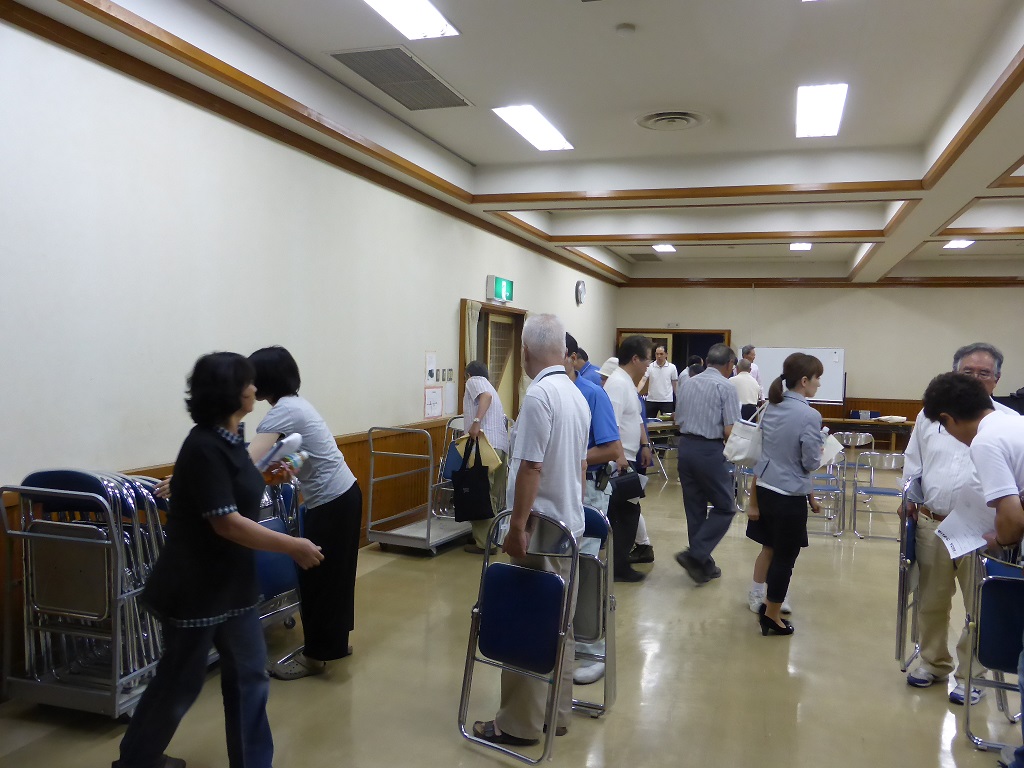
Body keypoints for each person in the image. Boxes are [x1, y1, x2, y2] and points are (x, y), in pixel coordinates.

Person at [114, 352, 323, 768]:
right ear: (230, 393)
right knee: (180, 682)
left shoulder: (231, 439)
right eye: (248, 383)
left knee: (250, 678)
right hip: (196, 589)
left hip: (234, 586)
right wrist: (292, 545)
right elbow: (227, 524)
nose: (254, 389)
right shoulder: (204, 446)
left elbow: (238, 487)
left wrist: (269, 476)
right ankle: (137, 760)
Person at [472, 314, 590, 747]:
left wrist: (517, 526)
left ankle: (519, 724)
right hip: (568, 525)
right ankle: (555, 715)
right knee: (559, 623)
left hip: (540, 529)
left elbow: (531, 468)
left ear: (525, 352)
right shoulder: (574, 394)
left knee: (527, 621)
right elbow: (579, 467)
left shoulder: (540, 395)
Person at [902, 343, 1018, 704]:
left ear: (997, 380)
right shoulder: (931, 417)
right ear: (955, 374)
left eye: (984, 373)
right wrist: (909, 496)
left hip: (984, 530)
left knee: (980, 606)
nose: (976, 378)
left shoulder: (1004, 423)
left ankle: (972, 675)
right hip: (934, 522)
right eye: (968, 372)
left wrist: (1002, 535)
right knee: (931, 600)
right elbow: (913, 460)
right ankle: (933, 662)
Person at [919, 372, 1024, 768]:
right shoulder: (1014, 424)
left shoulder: (985, 440)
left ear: (948, 419)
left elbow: (1011, 519)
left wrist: (998, 539)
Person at [247, 346, 362, 680]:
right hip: (345, 494)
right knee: (336, 576)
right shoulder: (298, 406)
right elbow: (307, 453)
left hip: (331, 502)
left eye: (252, 379)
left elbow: (247, 461)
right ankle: (335, 643)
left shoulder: (282, 412)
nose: (249, 387)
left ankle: (315, 656)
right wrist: (290, 466)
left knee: (317, 579)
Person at [744, 353, 825, 636]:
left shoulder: (771, 407)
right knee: (784, 559)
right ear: (804, 381)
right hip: (789, 495)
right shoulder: (809, 415)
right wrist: (820, 451)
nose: (818, 384)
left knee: (770, 547)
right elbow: (810, 462)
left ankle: (764, 601)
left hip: (766, 488)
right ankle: (772, 615)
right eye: (817, 379)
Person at [566, 332, 625, 686]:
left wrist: (570, 456)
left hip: (589, 490)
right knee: (563, 568)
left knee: (587, 567)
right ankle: (569, 639)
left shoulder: (592, 393)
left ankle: (594, 648)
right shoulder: (545, 393)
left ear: (572, 358)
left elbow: (613, 449)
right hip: (559, 490)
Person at [674, 343, 741, 585]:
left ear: (707, 360)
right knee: (725, 506)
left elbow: (678, 419)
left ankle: (703, 565)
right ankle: (696, 554)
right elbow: (730, 430)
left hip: (685, 447)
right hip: (709, 450)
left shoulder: (687, 383)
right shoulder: (726, 386)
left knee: (695, 509)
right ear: (729, 365)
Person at [603, 335, 654, 582]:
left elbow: (635, 419)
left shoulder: (627, 384)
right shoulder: (617, 384)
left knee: (629, 510)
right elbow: (611, 424)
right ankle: (618, 566)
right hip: (620, 460)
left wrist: (645, 444)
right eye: (647, 360)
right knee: (625, 513)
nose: (648, 366)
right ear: (635, 359)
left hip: (631, 455)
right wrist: (620, 455)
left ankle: (619, 563)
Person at [460, 360, 510, 554]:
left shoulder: (474, 382)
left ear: (469, 374)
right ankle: (492, 539)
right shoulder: (491, 386)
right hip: (500, 446)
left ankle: (484, 543)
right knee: (493, 495)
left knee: (479, 492)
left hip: (484, 446)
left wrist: (476, 422)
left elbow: (485, 397)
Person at [637, 345, 678, 418]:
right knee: (649, 421)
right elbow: (643, 380)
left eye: (661, 354)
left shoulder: (672, 367)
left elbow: (674, 384)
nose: (659, 356)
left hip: (666, 400)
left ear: (666, 354)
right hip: (651, 399)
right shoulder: (650, 366)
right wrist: (636, 392)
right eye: (657, 354)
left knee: (667, 423)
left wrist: (678, 397)